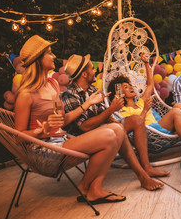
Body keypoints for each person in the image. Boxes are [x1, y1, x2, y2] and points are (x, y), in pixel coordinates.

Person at [15, 35, 126, 205]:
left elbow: (64, 120)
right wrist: (40, 130)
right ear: (38, 59)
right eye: (49, 53)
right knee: (110, 136)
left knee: (118, 129)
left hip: (62, 141)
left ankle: (95, 189)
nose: (53, 56)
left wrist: (88, 103)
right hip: (44, 150)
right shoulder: (25, 95)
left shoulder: (52, 84)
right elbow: (18, 136)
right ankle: (84, 186)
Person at [62, 54, 169, 191]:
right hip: (84, 138)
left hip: (102, 127)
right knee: (118, 129)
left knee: (135, 120)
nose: (95, 70)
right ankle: (143, 176)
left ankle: (147, 167)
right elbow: (84, 127)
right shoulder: (69, 95)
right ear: (84, 74)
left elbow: (103, 114)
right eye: (92, 69)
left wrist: (110, 116)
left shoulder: (92, 90)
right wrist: (110, 110)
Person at [108, 53, 181, 162]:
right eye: (126, 87)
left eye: (129, 85)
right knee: (176, 112)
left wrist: (146, 64)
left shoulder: (141, 102)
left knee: (179, 106)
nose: (131, 87)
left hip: (160, 129)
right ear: (119, 93)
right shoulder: (122, 111)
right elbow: (135, 126)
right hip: (150, 135)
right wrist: (145, 110)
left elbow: (150, 84)